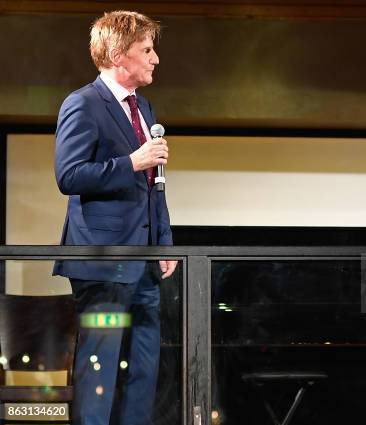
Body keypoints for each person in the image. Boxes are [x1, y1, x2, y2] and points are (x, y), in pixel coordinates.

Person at [53, 11, 177, 425]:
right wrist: (131, 161)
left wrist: (164, 240)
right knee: (101, 368)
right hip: (103, 261)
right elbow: (68, 175)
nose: (155, 58)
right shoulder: (83, 103)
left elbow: (154, 183)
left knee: (145, 367)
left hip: (143, 263)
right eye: (146, 50)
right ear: (118, 55)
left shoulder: (143, 106)